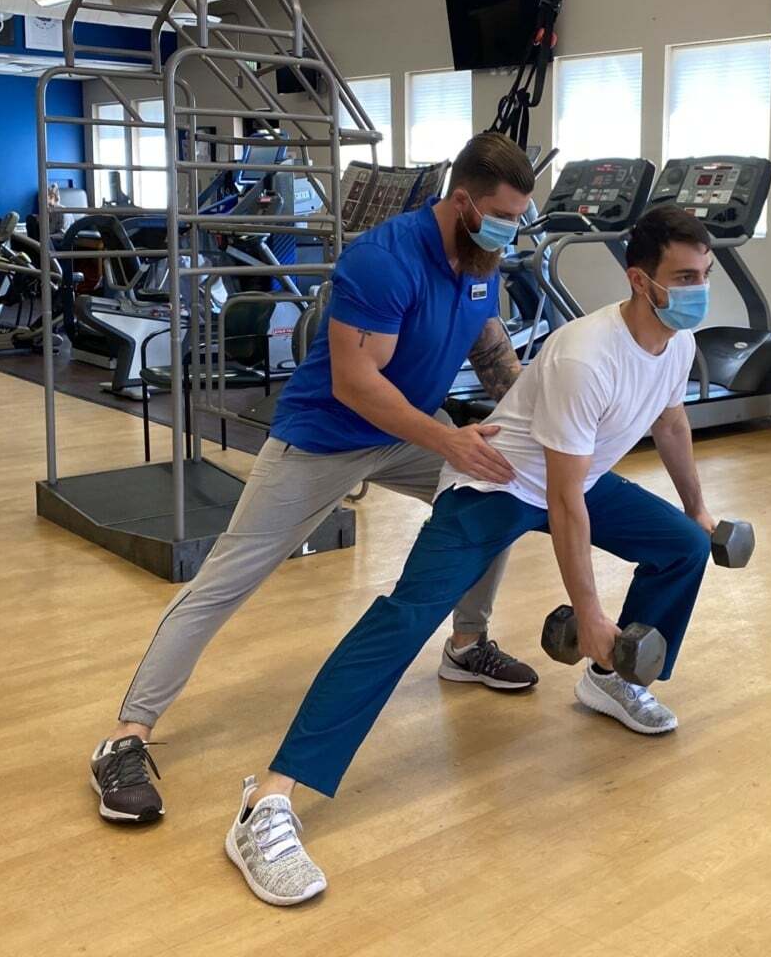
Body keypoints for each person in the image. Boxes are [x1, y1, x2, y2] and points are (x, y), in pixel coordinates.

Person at [221, 205, 723, 906]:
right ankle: (269, 799)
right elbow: (564, 502)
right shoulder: (586, 355)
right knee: (406, 616)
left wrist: (697, 510)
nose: (702, 288)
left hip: (570, 478)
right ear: (642, 281)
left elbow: (670, 422)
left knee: (681, 547)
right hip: (497, 481)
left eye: (707, 272)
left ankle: (612, 682)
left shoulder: (675, 341)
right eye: (686, 276)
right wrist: (591, 616)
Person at [89, 133, 544, 825]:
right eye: (506, 215)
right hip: (323, 441)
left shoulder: (482, 259)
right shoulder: (383, 261)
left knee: (495, 490)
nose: (513, 231)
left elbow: (491, 350)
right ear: (462, 203)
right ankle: (126, 735)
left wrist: (538, 425)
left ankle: (466, 644)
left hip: (409, 432)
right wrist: (450, 438)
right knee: (227, 579)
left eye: (520, 217)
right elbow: (357, 385)